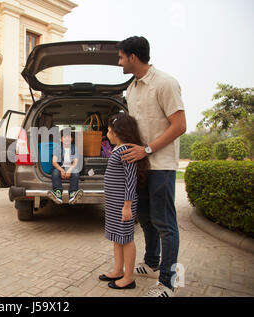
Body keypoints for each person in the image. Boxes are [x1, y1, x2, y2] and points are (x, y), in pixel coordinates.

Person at [116, 36, 187, 297]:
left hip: (161, 165)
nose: (119, 61)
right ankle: (152, 261)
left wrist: (146, 149)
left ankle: (168, 283)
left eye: (121, 57)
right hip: (141, 166)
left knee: (165, 223)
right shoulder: (132, 88)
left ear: (133, 57)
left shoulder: (165, 83)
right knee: (145, 218)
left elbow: (180, 125)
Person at [99, 113, 149, 290]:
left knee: (126, 239)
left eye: (109, 131)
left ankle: (128, 278)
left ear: (118, 132)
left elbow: (130, 179)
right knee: (116, 237)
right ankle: (118, 270)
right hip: (115, 204)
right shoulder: (119, 149)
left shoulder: (126, 150)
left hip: (123, 205)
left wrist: (127, 205)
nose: (107, 134)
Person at [48, 128, 83, 204]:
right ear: (61, 139)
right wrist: (61, 170)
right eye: (64, 137)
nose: (66, 139)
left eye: (69, 137)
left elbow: (75, 162)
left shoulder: (74, 148)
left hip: (71, 168)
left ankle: (73, 194)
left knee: (76, 173)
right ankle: (58, 194)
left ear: (72, 139)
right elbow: (54, 162)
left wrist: (70, 170)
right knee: (55, 172)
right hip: (61, 168)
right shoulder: (57, 148)